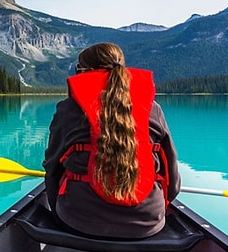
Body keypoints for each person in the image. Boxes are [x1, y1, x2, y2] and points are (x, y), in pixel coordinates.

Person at [43, 42, 180, 239]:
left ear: (85, 72)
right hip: (147, 223)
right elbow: (172, 179)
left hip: (78, 220)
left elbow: (52, 168)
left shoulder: (68, 109)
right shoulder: (153, 109)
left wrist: (56, 208)